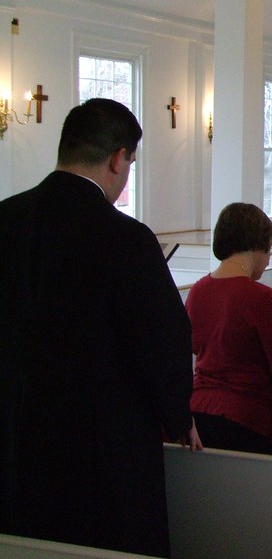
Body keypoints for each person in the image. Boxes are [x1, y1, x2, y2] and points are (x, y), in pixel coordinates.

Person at [0, 98, 199, 558]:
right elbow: (164, 338)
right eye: (130, 161)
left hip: (16, 432)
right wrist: (177, 414)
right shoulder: (126, 239)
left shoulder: (6, 221)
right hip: (102, 445)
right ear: (118, 158)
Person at [186, 203, 272, 456]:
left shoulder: (198, 291)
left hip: (199, 411)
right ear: (256, 245)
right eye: (269, 249)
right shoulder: (261, 297)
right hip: (249, 418)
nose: (269, 258)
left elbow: (196, 347)